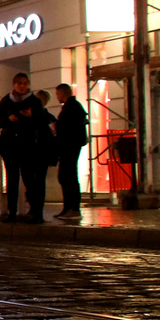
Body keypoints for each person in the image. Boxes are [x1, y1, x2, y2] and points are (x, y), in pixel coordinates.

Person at [0, 72, 50, 223]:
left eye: (25, 83)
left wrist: (32, 116)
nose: (22, 86)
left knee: (30, 179)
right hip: (9, 145)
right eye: (19, 83)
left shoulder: (34, 101)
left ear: (28, 84)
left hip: (28, 145)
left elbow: (44, 122)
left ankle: (35, 211)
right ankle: (12, 212)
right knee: (12, 179)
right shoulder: (6, 100)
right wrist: (8, 119)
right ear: (14, 84)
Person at [54, 83, 89, 220]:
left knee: (68, 177)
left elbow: (68, 129)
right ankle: (68, 207)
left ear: (62, 93)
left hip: (69, 146)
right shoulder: (73, 107)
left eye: (57, 94)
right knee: (66, 176)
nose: (57, 97)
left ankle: (73, 208)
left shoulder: (71, 108)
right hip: (69, 146)